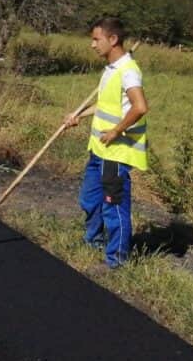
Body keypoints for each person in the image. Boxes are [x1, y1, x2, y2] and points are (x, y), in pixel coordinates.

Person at [64, 17, 149, 269]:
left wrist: (115, 131)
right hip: (98, 150)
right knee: (89, 199)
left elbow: (140, 107)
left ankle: (117, 260)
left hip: (116, 153)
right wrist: (78, 115)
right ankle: (93, 241)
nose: (92, 45)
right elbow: (106, 104)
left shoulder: (129, 70)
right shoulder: (111, 69)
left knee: (115, 208)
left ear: (113, 40)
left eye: (96, 39)